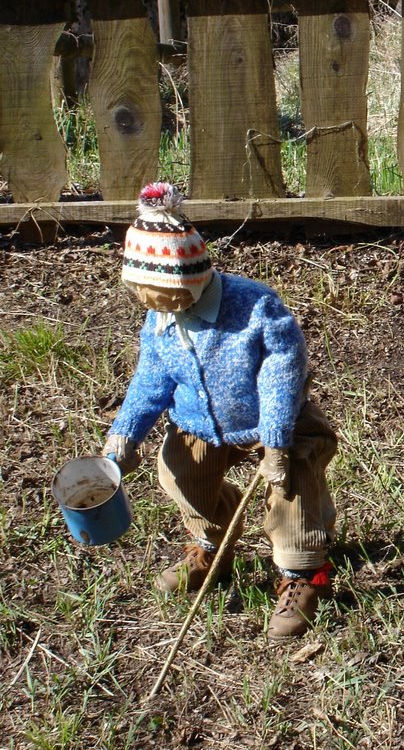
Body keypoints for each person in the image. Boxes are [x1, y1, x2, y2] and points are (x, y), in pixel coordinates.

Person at [103, 182, 338, 639]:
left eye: (162, 294)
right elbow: (151, 379)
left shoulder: (254, 307)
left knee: (293, 486)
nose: (152, 305)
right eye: (143, 294)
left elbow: (281, 373)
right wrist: (124, 434)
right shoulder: (160, 318)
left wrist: (274, 441)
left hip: (274, 419)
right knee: (180, 472)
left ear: (190, 277)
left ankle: (302, 573)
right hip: (198, 423)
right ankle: (213, 540)